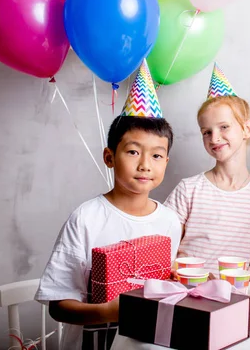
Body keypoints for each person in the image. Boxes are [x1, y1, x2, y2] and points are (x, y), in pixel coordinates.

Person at [35, 61, 182, 350]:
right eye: (132, 151)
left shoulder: (170, 221)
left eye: (156, 156)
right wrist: (108, 311)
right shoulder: (86, 219)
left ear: (166, 163)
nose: (144, 164)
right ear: (109, 156)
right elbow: (58, 305)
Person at [165, 64, 250, 280]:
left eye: (224, 127)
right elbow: (165, 250)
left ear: (247, 129)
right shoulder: (189, 189)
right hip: (186, 295)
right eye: (206, 132)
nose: (214, 138)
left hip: (231, 301)